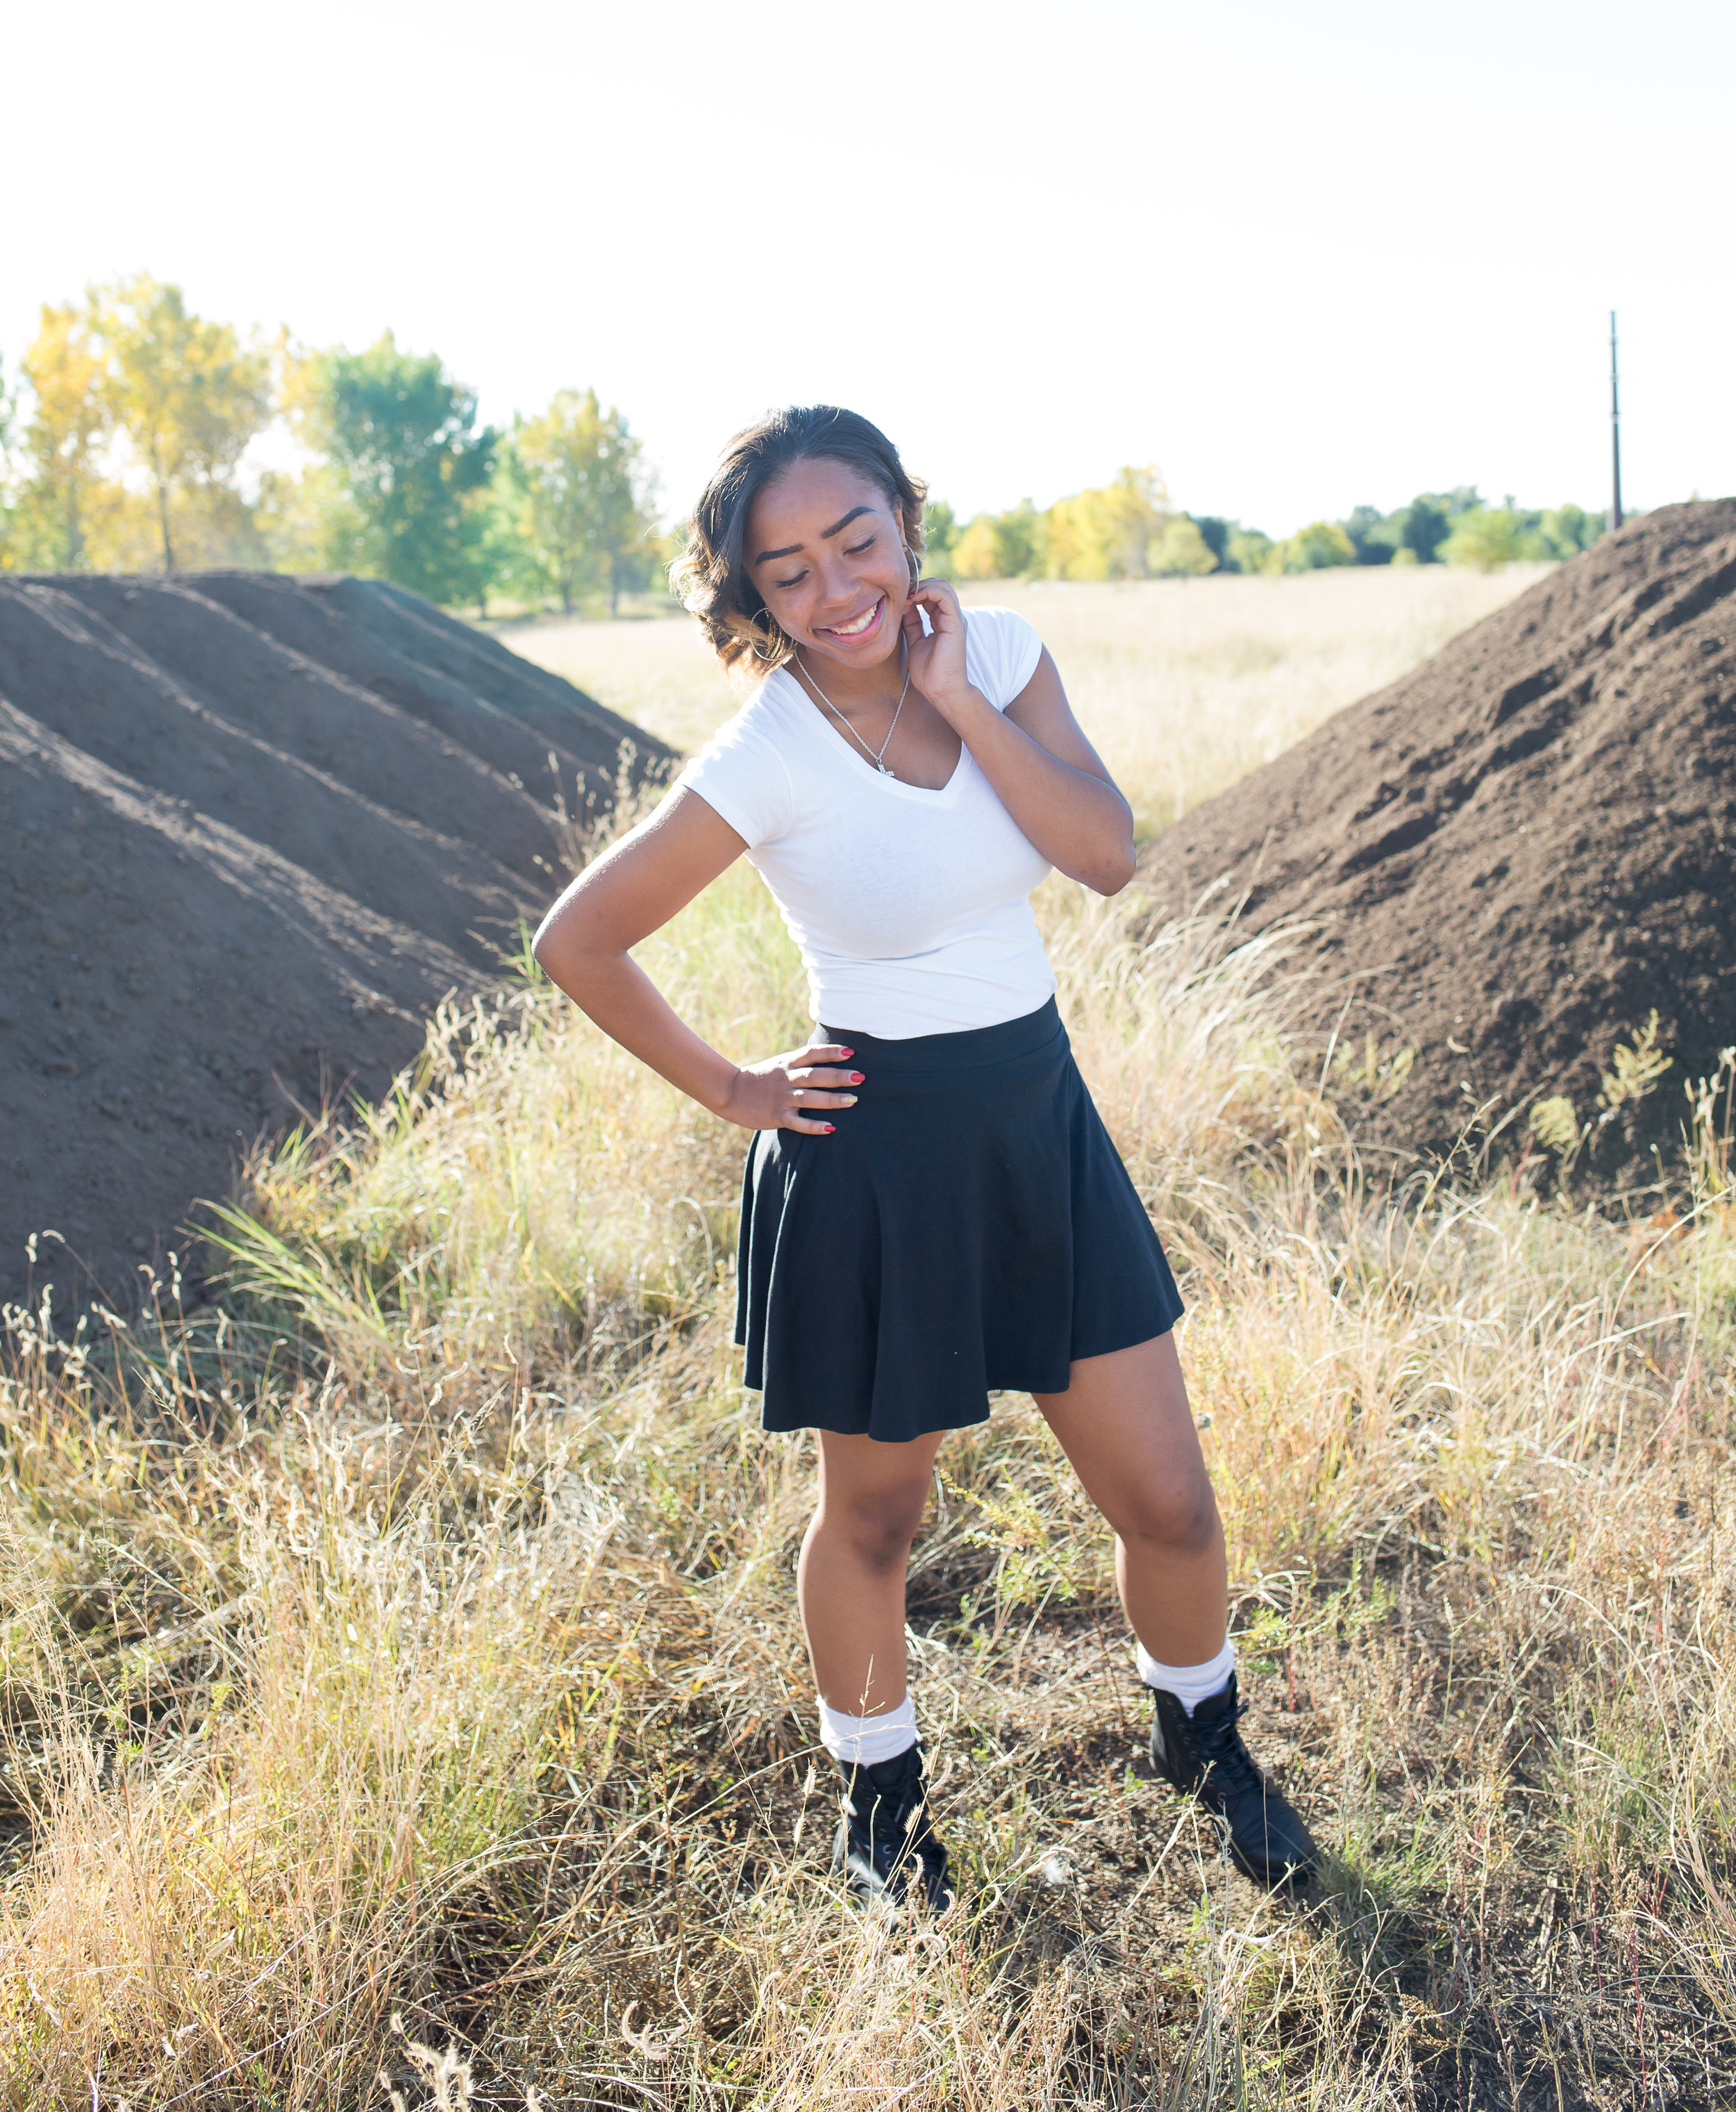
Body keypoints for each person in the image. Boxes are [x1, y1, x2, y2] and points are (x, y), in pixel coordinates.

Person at [533, 404, 1317, 1913]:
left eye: (856, 543)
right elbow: (580, 939)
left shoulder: (1002, 654)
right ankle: (880, 1805)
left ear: (904, 520)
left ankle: (1201, 1740)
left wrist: (960, 701)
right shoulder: (763, 753)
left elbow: (1102, 852)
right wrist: (729, 1088)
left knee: (1168, 1500)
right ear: (750, 601)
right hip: (876, 1153)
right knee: (879, 1518)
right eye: (787, 573)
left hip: (1037, 1122)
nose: (835, 592)